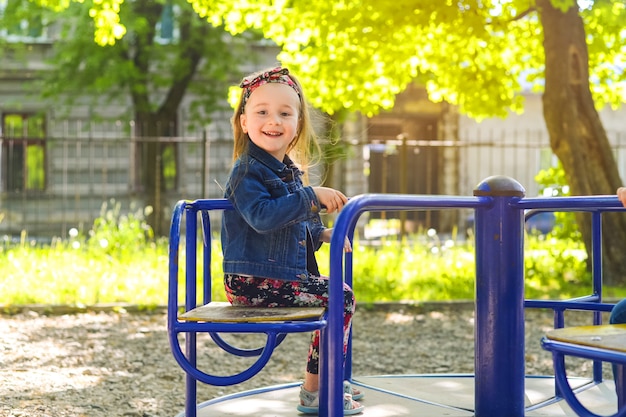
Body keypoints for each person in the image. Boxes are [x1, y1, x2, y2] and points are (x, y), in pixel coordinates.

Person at [220, 66, 364, 415]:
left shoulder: (287, 170)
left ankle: (324, 381)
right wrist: (312, 196)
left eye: (285, 113)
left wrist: (322, 233)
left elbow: (294, 225)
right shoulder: (247, 170)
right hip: (251, 280)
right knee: (340, 298)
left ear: (297, 125)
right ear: (244, 122)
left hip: (275, 275)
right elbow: (263, 217)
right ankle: (316, 390)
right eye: (262, 112)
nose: (274, 120)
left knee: (339, 296)